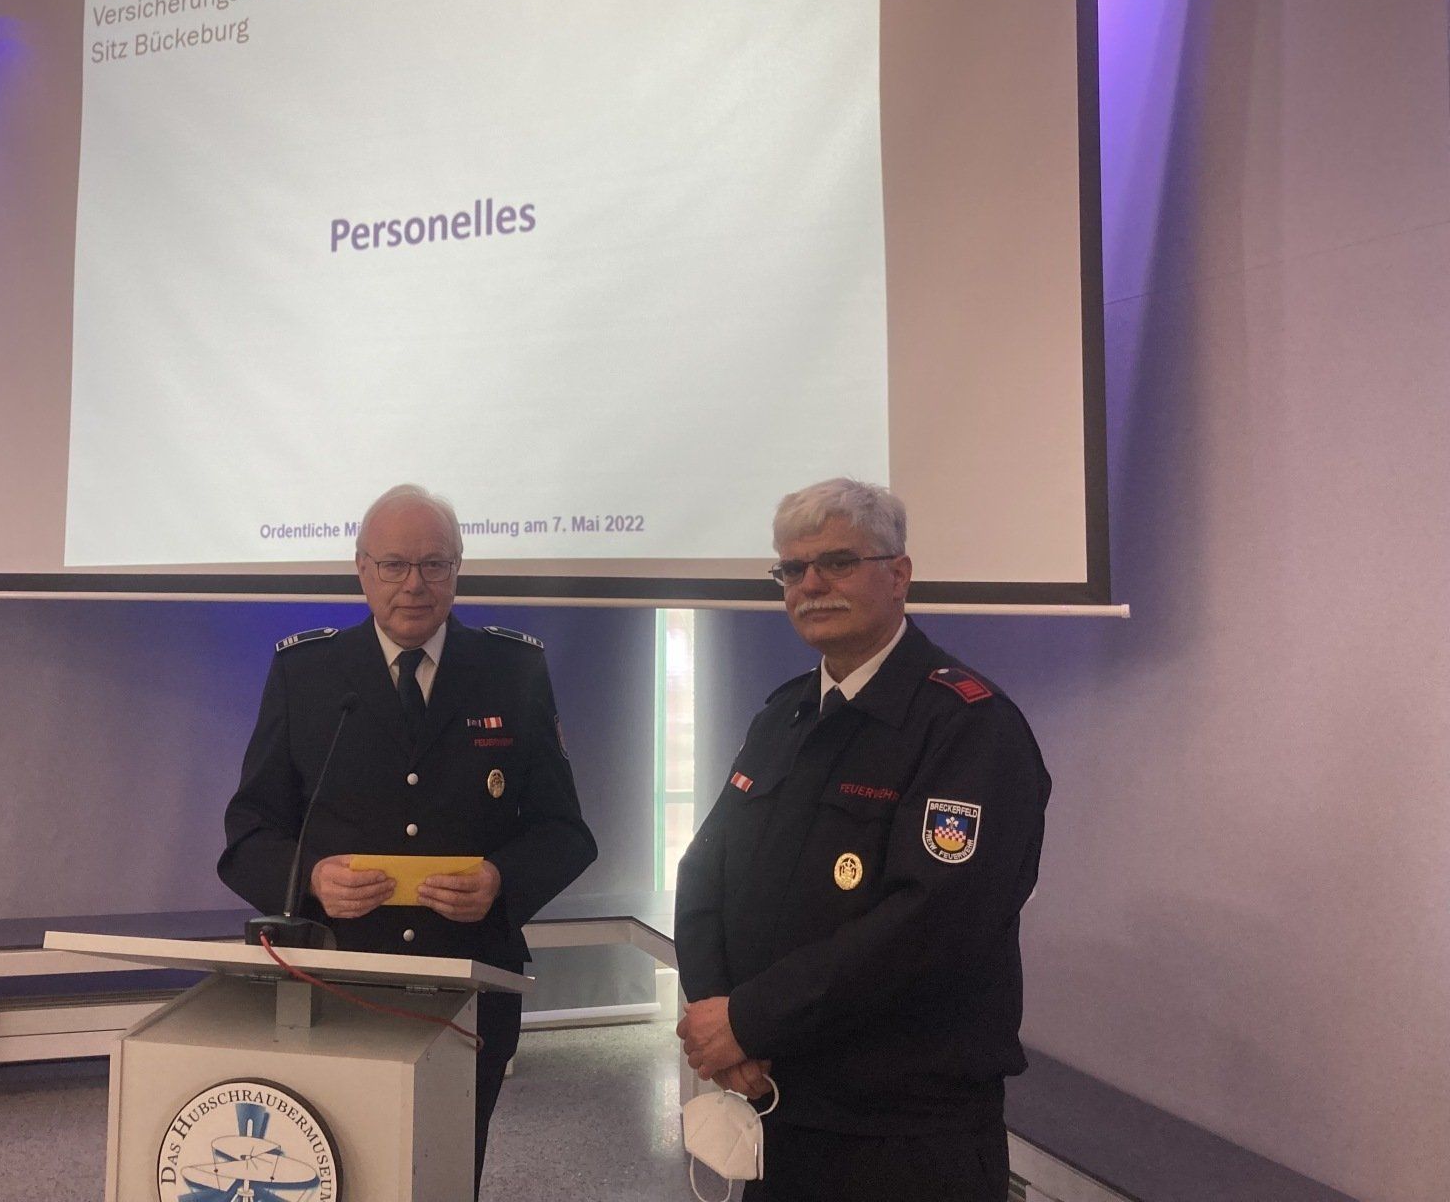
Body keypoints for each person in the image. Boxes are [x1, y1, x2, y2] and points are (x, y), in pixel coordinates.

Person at [674, 478, 1051, 1201]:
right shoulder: (783, 715)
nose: (811, 585)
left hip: (903, 1131)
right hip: (776, 1101)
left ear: (899, 574)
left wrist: (749, 1019)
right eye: (793, 569)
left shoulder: (968, 727)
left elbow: (932, 923)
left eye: (838, 562)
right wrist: (719, 1015)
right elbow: (704, 873)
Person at [219, 483, 597, 1194]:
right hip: (336, 982)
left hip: (469, 984)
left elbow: (565, 833)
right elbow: (249, 831)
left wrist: (501, 881)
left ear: (458, 570)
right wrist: (310, 879)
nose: (414, 584)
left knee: (447, 1175)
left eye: (434, 564)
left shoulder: (513, 670)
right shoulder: (307, 672)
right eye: (394, 565)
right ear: (362, 570)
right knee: (336, 1175)